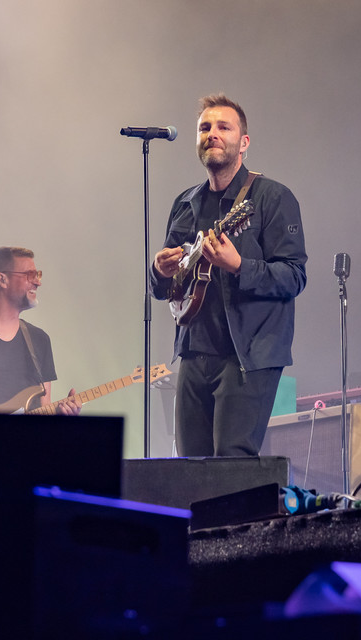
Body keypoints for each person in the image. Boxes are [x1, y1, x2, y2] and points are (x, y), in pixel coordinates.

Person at [149, 94, 308, 457]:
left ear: (244, 142)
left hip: (248, 356)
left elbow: (294, 276)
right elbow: (166, 289)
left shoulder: (272, 197)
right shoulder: (185, 203)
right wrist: (159, 271)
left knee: (232, 463)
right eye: (205, 127)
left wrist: (239, 266)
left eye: (224, 127)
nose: (213, 134)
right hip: (193, 353)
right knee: (189, 465)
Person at [0, 246, 80, 415]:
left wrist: (60, 416)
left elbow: (44, 410)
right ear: (2, 279)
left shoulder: (39, 339)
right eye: (29, 275)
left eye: (38, 275)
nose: (38, 282)